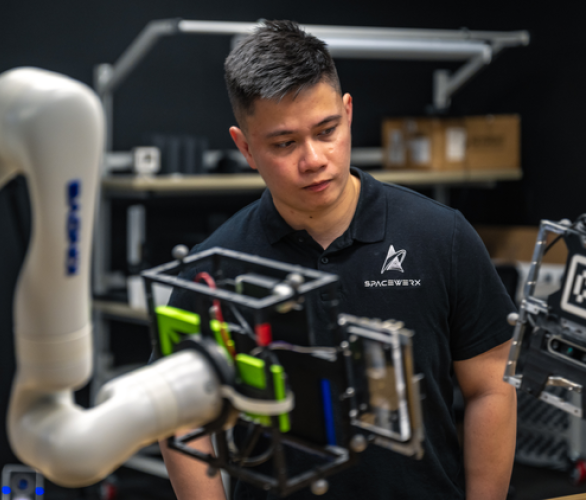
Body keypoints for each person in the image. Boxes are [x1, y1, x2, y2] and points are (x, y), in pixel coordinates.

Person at [160, 20, 517, 500]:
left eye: (327, 130)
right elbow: (182, 419)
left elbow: (491, 386)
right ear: (245, 147)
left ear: (347, 114)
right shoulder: (212, 270)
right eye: (284, 144)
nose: (314, 159)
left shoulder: (442, 236)